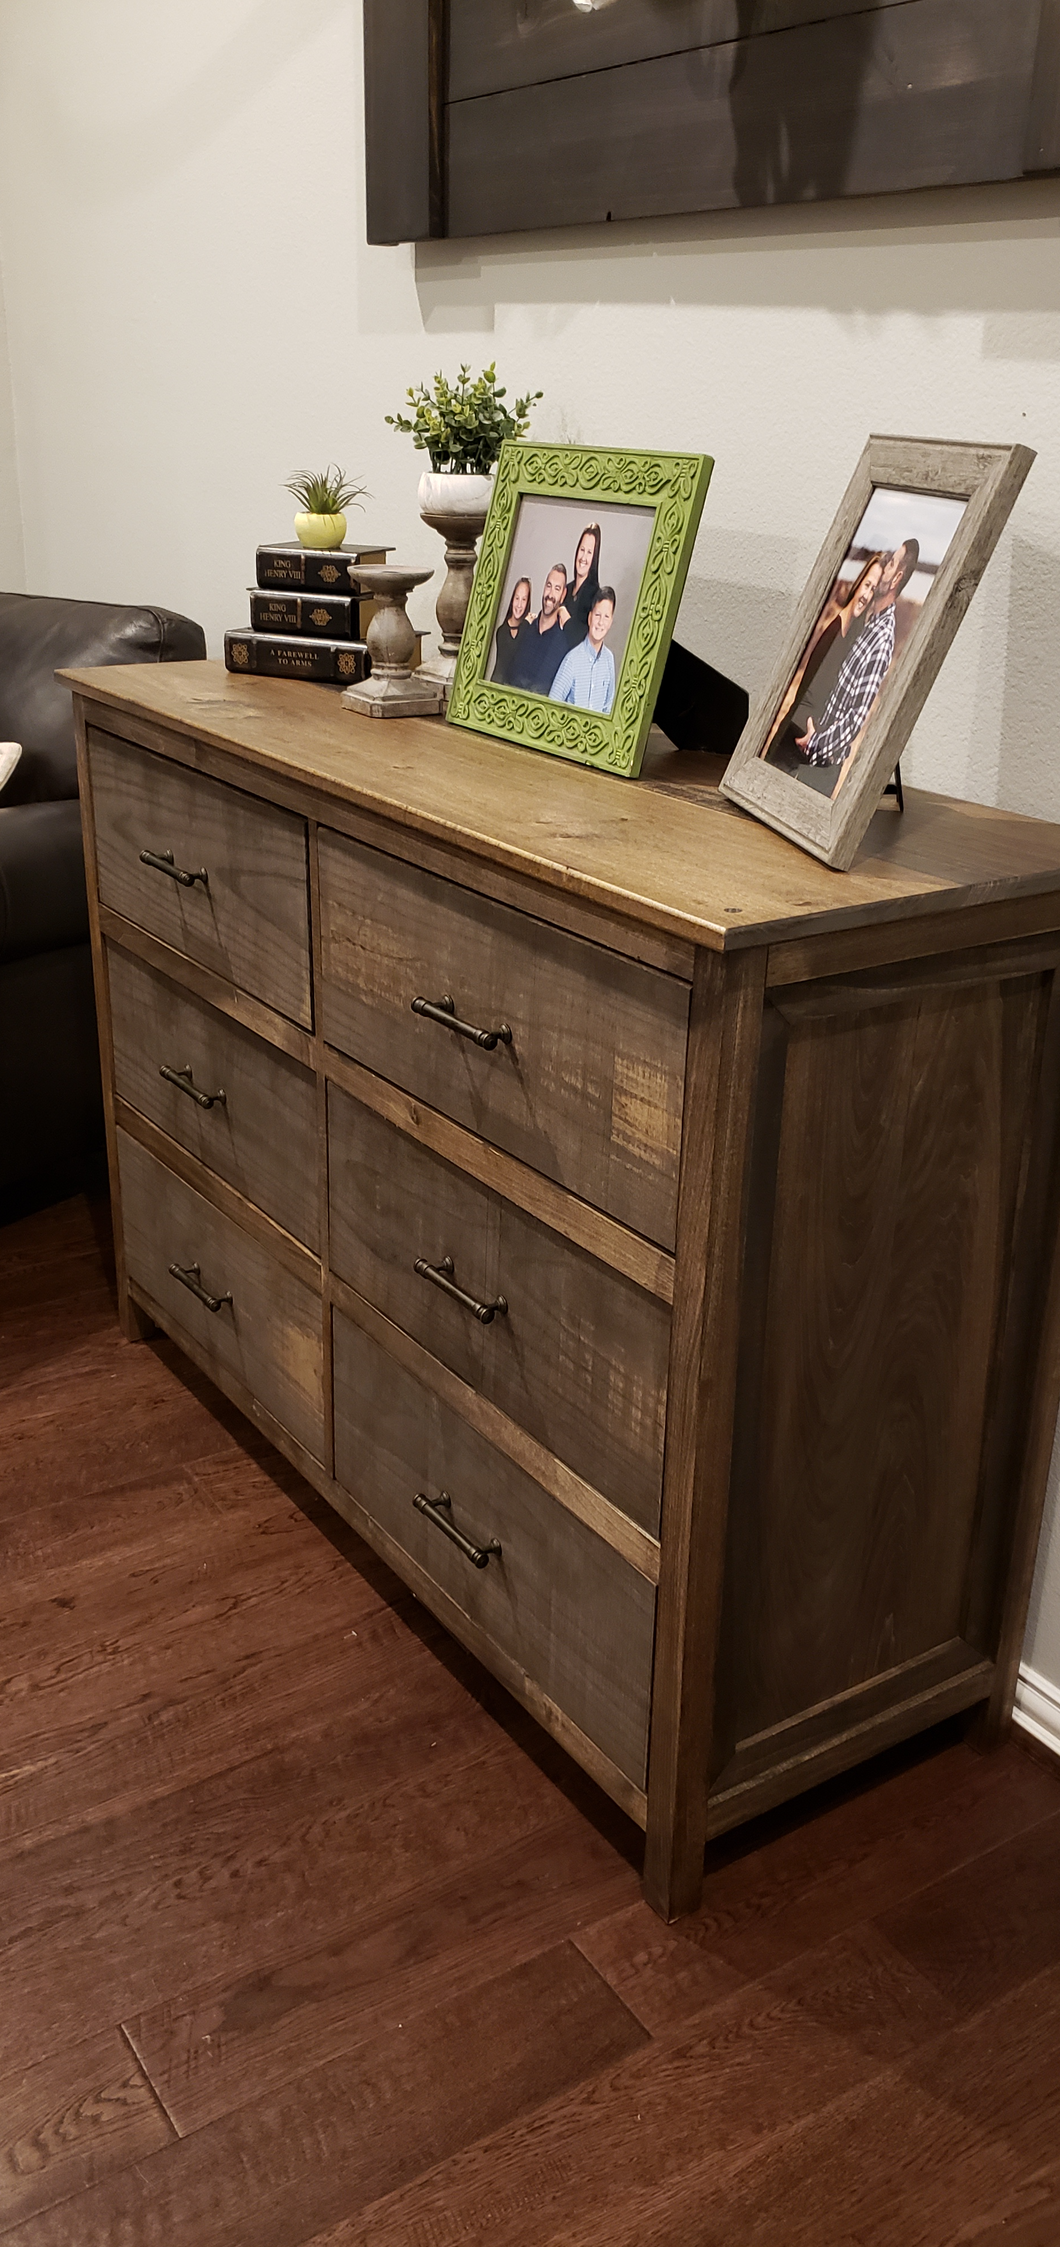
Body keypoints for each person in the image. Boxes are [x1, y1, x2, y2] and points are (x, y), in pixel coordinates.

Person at [797, 538, 920, 774]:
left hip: (823, 764)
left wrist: (815, 743)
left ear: (897, 578)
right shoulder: (869, 622)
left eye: (891, 564)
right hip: (811, 753)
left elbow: (857, 716)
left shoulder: (882, 640)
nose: (885, 568)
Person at [762, 552, 885, 760]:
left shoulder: (855, 633)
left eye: (873, 590)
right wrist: (810, 731)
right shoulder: (833, 631)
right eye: (866, 585)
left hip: (815, 744)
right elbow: (806, 695)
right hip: (795, 737)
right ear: (858, 583)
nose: (867, 595)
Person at [549, 586, 618, 715]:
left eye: (606, 617)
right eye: (597, 615)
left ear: (610, 622)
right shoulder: (572, 660)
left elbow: (608, 708)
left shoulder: (609, 659)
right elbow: (551, 707)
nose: (601, 622)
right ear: (590, 617)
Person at [509, 563, 570, 695]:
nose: (550, 594)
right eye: (549, 586)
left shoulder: (562, 645)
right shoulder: (525, 630)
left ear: (563, 594)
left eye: (557, 589)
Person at [559, 523, 601, 643]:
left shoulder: (595, 595)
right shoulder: (566, 589)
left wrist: (562, 611)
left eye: (589, 552)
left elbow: (581, 638)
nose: (583, 557)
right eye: (582, 550)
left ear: (594, 558)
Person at [489, 576, 533, 685]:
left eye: (523, 599)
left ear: (527, 602)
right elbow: (511, 656)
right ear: (512, 600)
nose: (519, 605)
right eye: (517, 598)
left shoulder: (529, 631)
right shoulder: (502, 631)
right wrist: (526, 625)